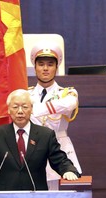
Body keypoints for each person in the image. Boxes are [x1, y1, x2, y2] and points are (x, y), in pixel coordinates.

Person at [0, 89, 80, 191]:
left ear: (31, 109)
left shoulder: (45, 135)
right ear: (9, 110)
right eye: (15, 107)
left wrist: (68, 170)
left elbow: (59, 160)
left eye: (25, 107)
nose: (20, 111)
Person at [28, 41, 82, 190]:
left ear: (56, 67)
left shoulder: (67, 93)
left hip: (59, 151)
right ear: (35, 67)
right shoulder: (26, 94)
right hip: (31, 151)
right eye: (41, 64)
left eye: (50, 64)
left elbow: (68, 104)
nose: (45, 68)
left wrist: (32, 108)